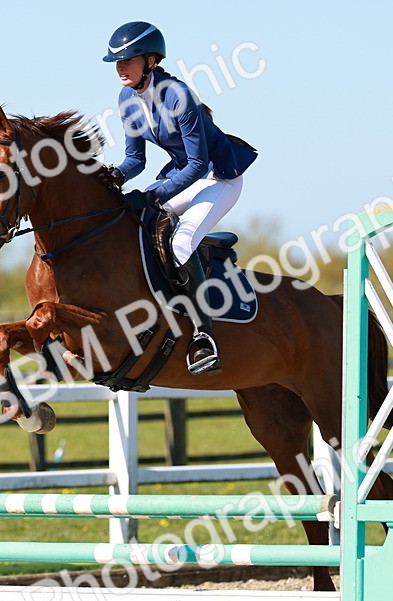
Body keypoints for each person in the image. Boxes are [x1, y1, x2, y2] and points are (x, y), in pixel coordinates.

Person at [104, 21, 257, 376]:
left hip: (220, 178)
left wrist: (153, 194)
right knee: (136, 226)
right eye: (117, 61)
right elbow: (135, 160)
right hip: (184, 177)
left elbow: (198, 164)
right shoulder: (127, 99)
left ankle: (205, 334)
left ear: (151, 61)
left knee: (182, 242)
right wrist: (113, 177)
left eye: (128, 59)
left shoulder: (178, 96)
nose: (120, 67)